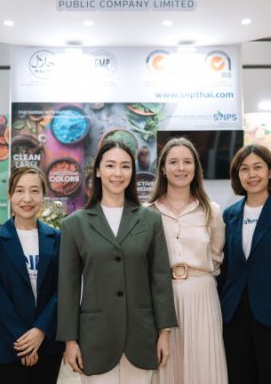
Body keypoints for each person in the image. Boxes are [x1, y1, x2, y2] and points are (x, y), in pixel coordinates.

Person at [57, 140, 178, 384]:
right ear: (98, 171)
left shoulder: (150, 220)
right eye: (110, 165)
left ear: (132, 172)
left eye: (125, 166)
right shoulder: (74, 224)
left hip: (142, 335)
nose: (118, 173)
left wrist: (164, 333)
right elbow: (68, 287)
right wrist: (70, 341)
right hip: (95, 337)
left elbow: (160, 279)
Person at [218, 144, 271, 384]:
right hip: (235, 316)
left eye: (257, 167)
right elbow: (224, 269)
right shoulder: (229, 215)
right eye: (244, 169)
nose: (251, 174)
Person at [148, 137, 227, 384]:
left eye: (187, 162)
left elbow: (215, 256)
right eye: (173, 162)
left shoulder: (211, 211)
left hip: (202, 295)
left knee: (203, 366)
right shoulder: (148, 212)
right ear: (163, 168)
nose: (181, 168)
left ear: (196, 168)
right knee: (166, 366)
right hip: (162, 297)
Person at [0, 166, 63, 384]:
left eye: (34, 191)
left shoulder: (57, 238)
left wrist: (40, 330)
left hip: (46, 344)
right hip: (7, 345)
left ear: (43, 196)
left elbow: (64, 288)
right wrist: (24, 341)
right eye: (19, 191)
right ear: (10, 195)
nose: (27, 198)